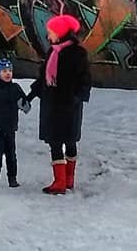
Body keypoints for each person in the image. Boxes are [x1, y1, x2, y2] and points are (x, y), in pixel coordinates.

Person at [28, 13, 91, 194]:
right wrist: (31, 95)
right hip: (52, 104)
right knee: (55, 141)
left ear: (61, 33)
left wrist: (77, 97)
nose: (48, 36)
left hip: (69, 104)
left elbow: (85, 79)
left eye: (51, 32)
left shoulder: (77, 54)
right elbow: (43, 79)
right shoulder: (52, 52)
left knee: (69, 140)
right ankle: (61, 181)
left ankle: (66, 180)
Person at [0, 58, 30, 188]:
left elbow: (24, 101)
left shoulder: (15, 88)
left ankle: (12, 178)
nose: (8, 74)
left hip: (10, 127)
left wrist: (24, 105)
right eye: (4, 71)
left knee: (11, 154)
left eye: (10, 71)